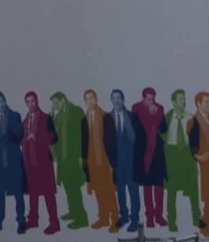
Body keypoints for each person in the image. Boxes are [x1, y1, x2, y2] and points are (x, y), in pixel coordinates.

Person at [0, 92, 26, 234]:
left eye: (2, 101)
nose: (0, 104)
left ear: (5, 100)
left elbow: (19, 136)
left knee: (18, 193)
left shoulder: (15, 116)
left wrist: (8, 133)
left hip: (13, 161)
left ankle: (21, 221)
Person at [101, 89, 142, 232]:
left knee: (133, 191)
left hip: (131, 162)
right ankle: (124, 216)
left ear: (123, 99)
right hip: (117, 163)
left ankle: (135, 219)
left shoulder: (132, 116)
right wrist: (112, 162)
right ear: (111, 100)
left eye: (119, 97)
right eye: (114, 98)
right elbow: (106, 142)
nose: (116, 100)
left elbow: (139, 139)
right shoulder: (107, 118)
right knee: (120, 191)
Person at [20, 91, 61, 234]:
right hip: (30, 163)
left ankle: (54, 223)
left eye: (33, 101)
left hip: (43, 162)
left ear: (37, 101)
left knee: (49, 194)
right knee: (32, 194)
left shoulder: (46, 118)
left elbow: (54, 137)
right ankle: (33, 220)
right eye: (28, 102)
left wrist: (36, 137)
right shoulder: (25, 120)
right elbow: (22, 139)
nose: (31, 104)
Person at [48, 91, 89, 229]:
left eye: (56, 102)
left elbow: (84, 133)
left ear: (63, 99)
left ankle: (81, 218)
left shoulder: (76, 111)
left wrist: (82, 155)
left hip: (74, 157)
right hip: (63, 159)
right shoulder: (58, 115)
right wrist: (52, 114)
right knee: (67, 186)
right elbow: (52, 133)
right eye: (53, 104)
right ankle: (73, 212)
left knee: (74, 187)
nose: (55, 105)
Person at [81, 88, 120, 232]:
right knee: (98, 191)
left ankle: (115, 220)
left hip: (105, 162)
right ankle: (103, 218)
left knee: (109, 191)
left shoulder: (105, 117)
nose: (90, 101)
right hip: (92, 162)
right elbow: (84, 142)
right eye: (87, 99)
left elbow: (112, 141)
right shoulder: (84, 119)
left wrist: (113, 163)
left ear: (96, 99)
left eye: (92, 98)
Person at [161, 89, 200, 233]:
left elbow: (196, 140)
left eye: (184, 99)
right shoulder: (167, 117)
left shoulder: (190, 118)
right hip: (172, 156)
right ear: (173, 102)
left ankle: (196, 217)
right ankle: (172, 222)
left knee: (193, 189)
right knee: (171, 192)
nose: (183, 102)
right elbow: (160, 136)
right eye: (179, 99)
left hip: (187, 156)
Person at [132, 87, 168, 229]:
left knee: (159, 186)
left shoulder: (159, 108)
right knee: (147, 187)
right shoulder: (136, 108)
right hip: (144, 152)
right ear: (143, 98)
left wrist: (157, 116)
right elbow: (137, 128)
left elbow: (164, 128)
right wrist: (152, 117)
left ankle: (159, 215)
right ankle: (150, 217)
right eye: (148, 99)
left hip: (157, 153)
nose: (151, 102)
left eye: (153, 99)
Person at [188, 88, 209, 236]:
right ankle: (204, 224)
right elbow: (191, 145)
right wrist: (198, 157)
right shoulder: (194, 122)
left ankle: (204, 221)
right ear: (199, 104)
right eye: (206, 102)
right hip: (205, 165)